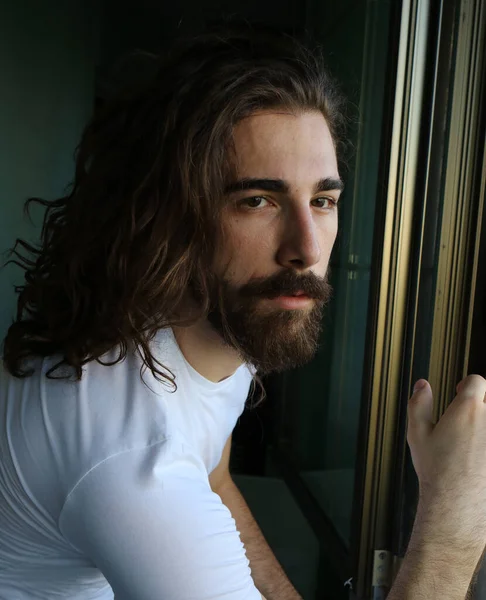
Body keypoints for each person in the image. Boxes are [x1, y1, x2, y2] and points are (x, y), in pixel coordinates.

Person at [0, 25, 484, 600]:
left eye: (323, 201)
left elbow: (214, 471)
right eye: (258, 201)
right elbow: (176, 465)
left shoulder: (197, 318)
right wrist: (455, 524)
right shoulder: (135, 464)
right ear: (169, 219)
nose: (306, 248)